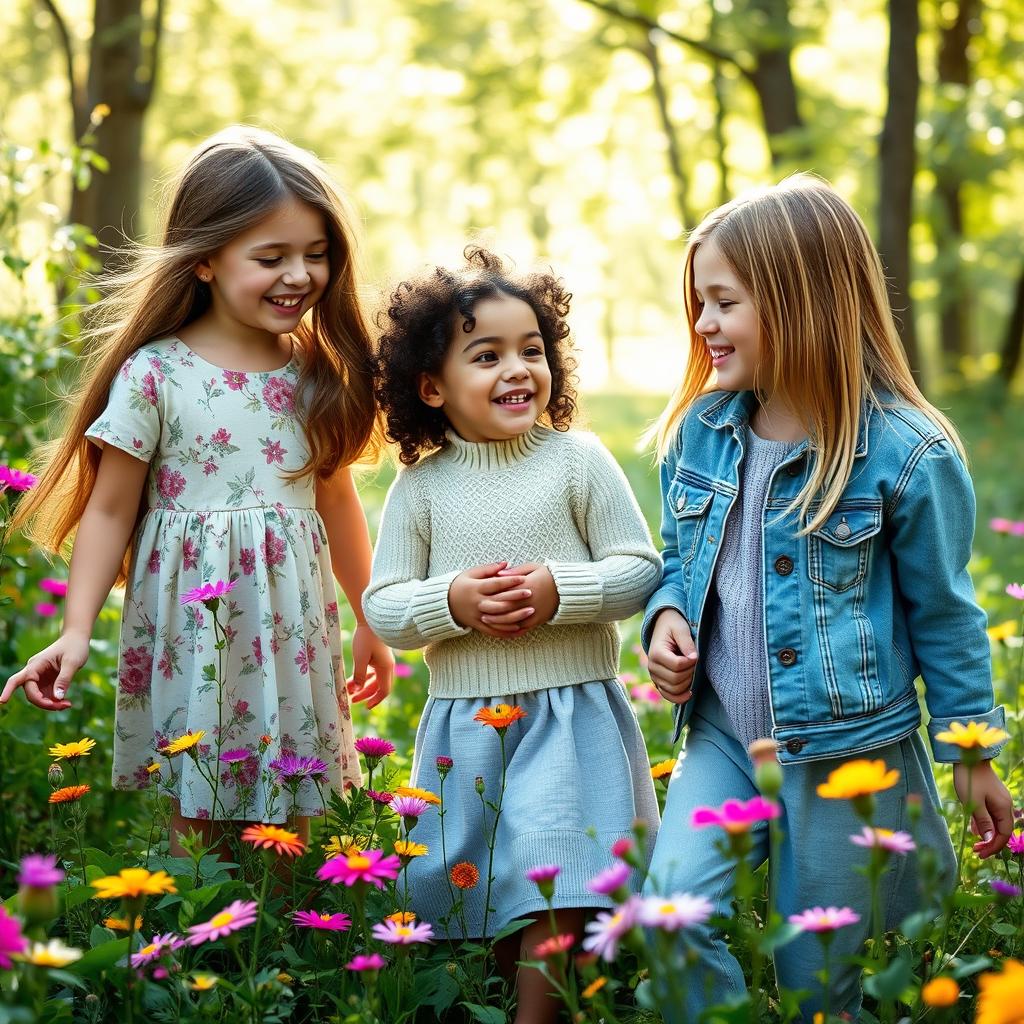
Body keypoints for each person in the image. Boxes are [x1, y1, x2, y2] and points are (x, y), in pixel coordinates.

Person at [642, 174, 1013, 1020]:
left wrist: (972, 752)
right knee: (668, 918)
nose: (702, 324)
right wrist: (667, 614)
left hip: (848, 755)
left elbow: (948, 616)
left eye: (723, 302)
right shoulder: (702, 430)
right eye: (699, 301)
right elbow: (680, 557)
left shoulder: (905, 455)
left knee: (821, 985)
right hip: (724, 740)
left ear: (800, 301)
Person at [1, 126, 394, 851]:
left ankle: (285, 946)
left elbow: (334, 501)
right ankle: (194, 951)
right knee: (199, 798)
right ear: (206, 259)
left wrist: (370, 616)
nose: (299, 275)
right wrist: (77, 629)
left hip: (290, 624)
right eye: (270, 257)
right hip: (193, 622)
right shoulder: (157, 372)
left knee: (293, 791)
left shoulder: (314, 374)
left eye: (315, 254)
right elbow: (111, 508)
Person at [364, 246, 661, 1023]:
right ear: (431, 386)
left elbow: (637, 570)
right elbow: (385, 609)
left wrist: (561, 587)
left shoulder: (578, 463)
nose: (517, 369)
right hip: (469, 725)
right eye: (486, 355)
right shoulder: (421, 489)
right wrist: (453, 602)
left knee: (559, 872)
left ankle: (541, 1014)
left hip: (572, 715)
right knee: (492, 878)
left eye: (532, 350)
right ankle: (539, 991)